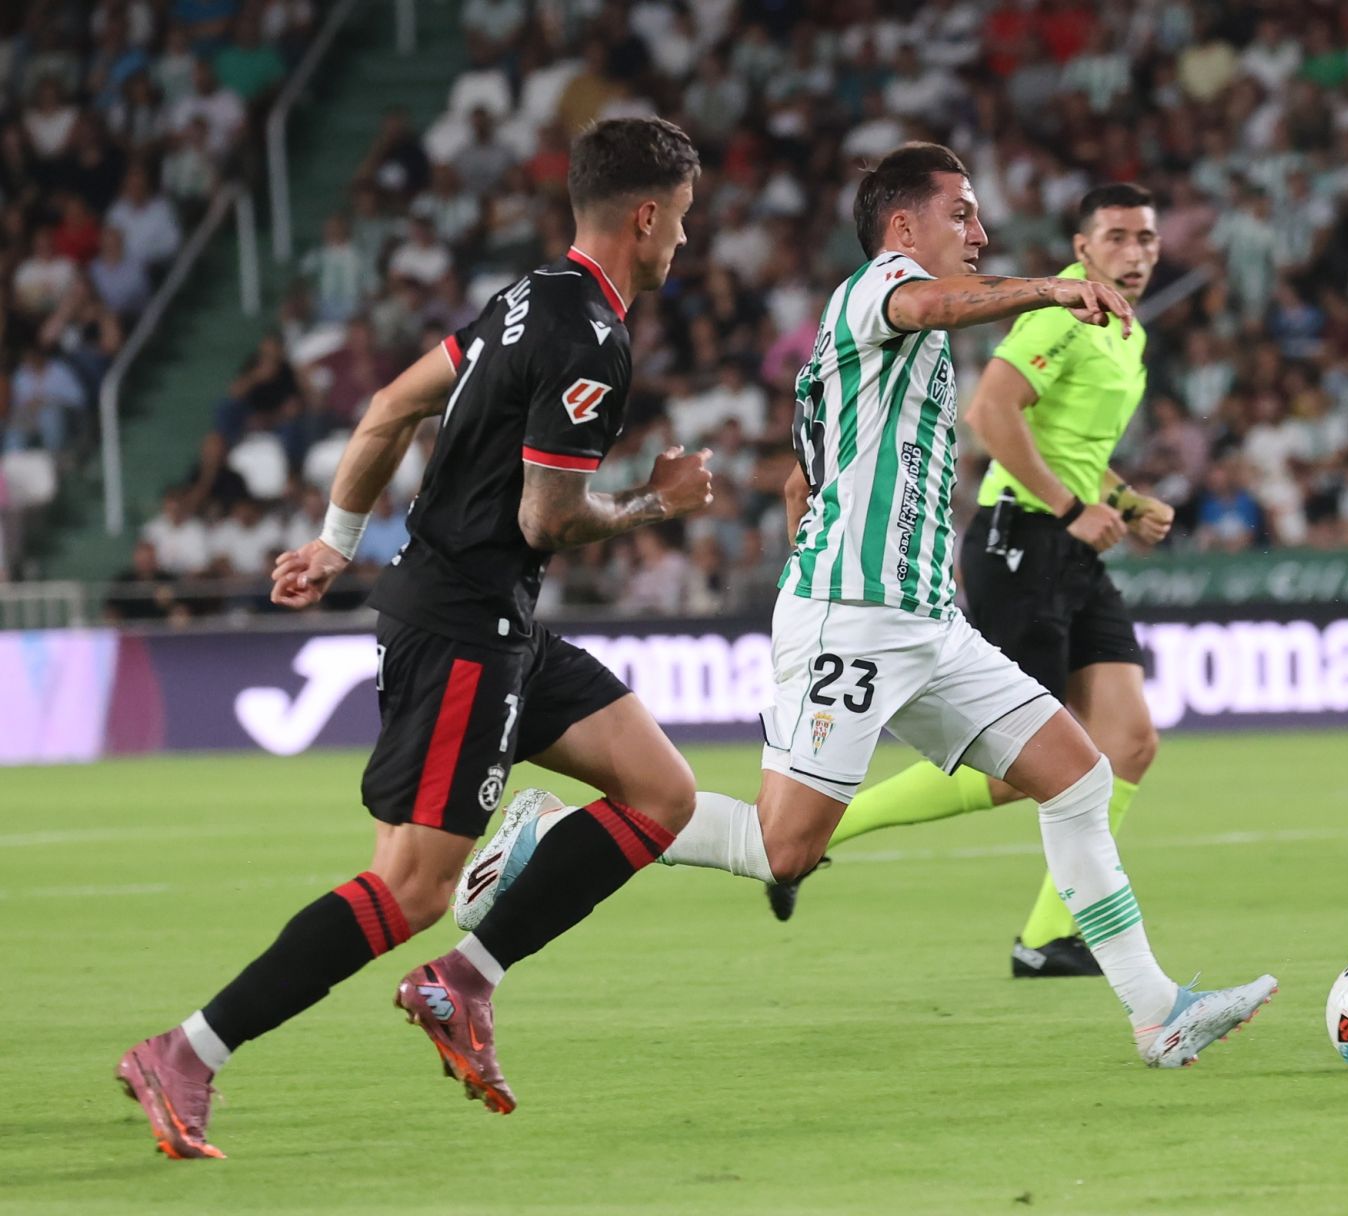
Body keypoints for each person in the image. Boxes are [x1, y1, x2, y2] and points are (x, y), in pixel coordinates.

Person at [456, 144, 1275, 1072]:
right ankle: (554, 834)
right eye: (961, 213)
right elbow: (928, 304)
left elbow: (821, 460)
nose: (980, 230)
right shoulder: (878, 290)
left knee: (1077, 775)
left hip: (926, 620)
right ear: (903, 228)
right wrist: (1050, 289)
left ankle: (1156, 1011)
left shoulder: (889, 338)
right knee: (782, 851)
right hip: (852, 614)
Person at [115, 117, 714, 1160]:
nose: (687, 246)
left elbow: (392, 405)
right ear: (648, 214)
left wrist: (336, 539)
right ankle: (188, 1050)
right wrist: (654, 505)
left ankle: (464, 981)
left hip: (493, 620)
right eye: (685, 223)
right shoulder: (594, 340)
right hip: (464, 629)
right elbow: (546, 519)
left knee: (662, 792)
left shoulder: (522, 298)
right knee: (412, 885)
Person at [759, 183, 1175, 980]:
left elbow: (1070, 442)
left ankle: (1052, 939)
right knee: (1028, 768)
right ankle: (820, 833)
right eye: (1117, 237)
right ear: (1082, 248)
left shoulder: (1126, 333)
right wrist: (1069, 507)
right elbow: (994, 412)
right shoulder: (1058, 315)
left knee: (1128, 744)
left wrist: (1119, 498)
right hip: (1022, 539)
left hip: (1071, 548)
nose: (1136, 253)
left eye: (1147, 239)